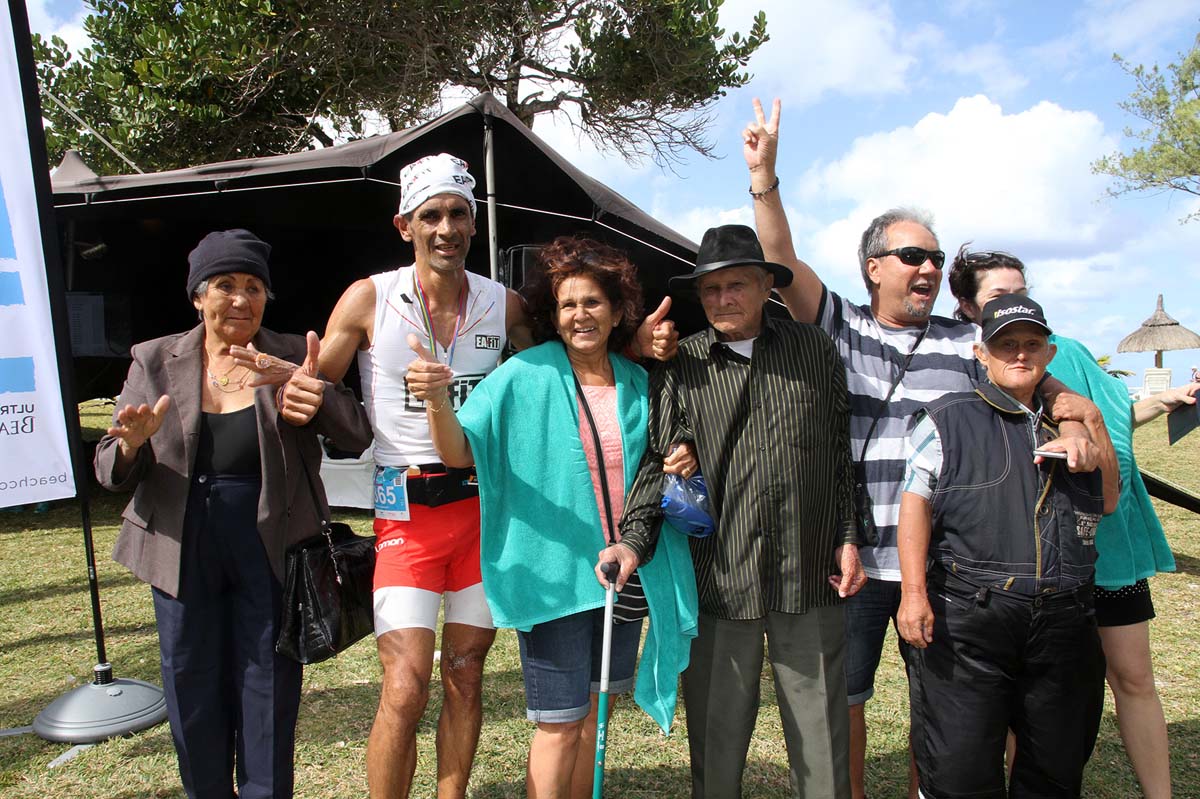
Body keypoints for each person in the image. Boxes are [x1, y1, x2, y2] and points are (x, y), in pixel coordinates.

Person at [239, 154, 679, 799]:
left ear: (474, 224)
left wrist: (634, 345)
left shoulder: (501, 304)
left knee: (467, 672)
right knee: (405, 685)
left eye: (457, 214)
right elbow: (318, 386)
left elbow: (569, 355)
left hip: (481, 511)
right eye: (431, 216)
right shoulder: (369, 297)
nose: (446, 228)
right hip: (406, 514)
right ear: (404, 226)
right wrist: (296, 392)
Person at [742, 98, 1106, 799]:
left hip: (941, 562)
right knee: (845, 699)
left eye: (936, 259)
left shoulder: (965, 341)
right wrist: (765, 178)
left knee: (941, 706)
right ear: (873, 267)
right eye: (913, 256)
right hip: (850, 557)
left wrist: (1068, 407)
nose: (930, 269)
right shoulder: (839, 324)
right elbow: (779, 260)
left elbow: (1027, 371)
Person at [404, 235, 698, 798]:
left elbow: (661, 458)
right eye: (567, 305)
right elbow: (459, 452)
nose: (579, 315)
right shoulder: (523, 374)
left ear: (617, 311)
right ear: (553, 315)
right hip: (555, 577)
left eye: (592, 302)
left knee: (594, 711)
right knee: (559, 722)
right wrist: (438, 400)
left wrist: (684, 453)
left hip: (626, 574)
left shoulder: (640, 382)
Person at [94, 229, 372, 799]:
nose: (241, 299)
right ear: (198, 296)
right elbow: (108, 465)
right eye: (225, 285)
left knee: (267, 679)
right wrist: (131, 444)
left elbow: (356, 433)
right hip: (181, 543)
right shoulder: (154, 358)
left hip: (270, 542)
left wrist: (314, 393)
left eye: (254, 286)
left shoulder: (291, 353)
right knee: (189, 678)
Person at [611, 224, 865, 799]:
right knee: (716, 737)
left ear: (766, 287)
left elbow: (837, 450)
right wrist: (633, 540)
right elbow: (656, 459)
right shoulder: (683, 361)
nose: (723, 299)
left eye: (737, 285)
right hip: (722, 576)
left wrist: (849, 536)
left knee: (822, 738)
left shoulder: (814, 349)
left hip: (809, 569)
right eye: (711, 289)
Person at [948, 245, 1200, 799]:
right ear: (968, 309)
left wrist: (1160, 402)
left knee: (1133, 676)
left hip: (1112, 544)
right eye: (999, 295)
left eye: (1022, 291)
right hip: (1038, 561)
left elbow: (1113, 418)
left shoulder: (1069, 353)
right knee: (1033, 693)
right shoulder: (981, 371)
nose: (1015, 302)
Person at [896, 294, 1118, 798]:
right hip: (971, 615)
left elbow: (1108, 500)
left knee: (1054, 770)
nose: (1020, 354)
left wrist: (1091, 423)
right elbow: (914, 505)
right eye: (1006, 344)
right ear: (982, 353)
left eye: (1032, 344)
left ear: (1049, 354)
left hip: (1065, 619)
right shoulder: (947, 419)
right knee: (959, 771)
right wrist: (913, 594)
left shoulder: (1073, 423)